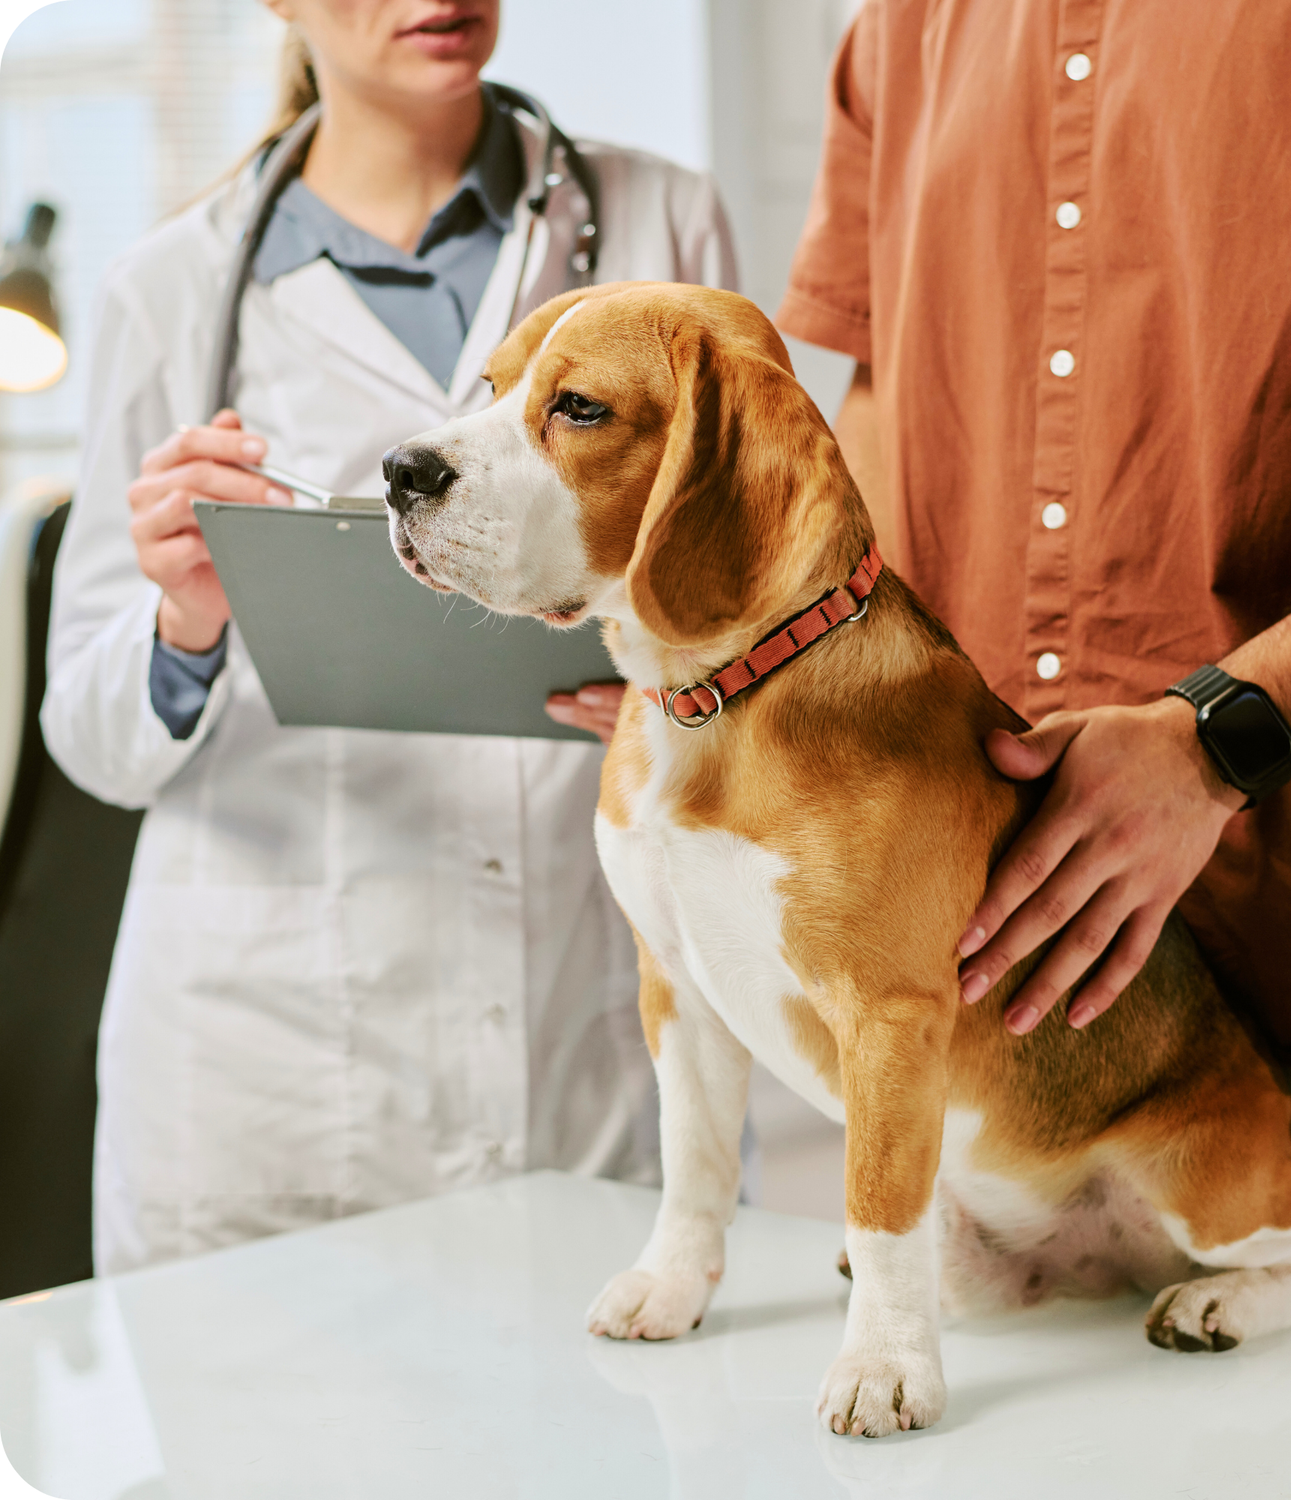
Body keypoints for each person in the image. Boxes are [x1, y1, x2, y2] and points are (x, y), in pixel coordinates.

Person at [777, 0, 1291, 1332]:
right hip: (1010, 1001)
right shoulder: (894, 27)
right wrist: (762, 670)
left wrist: (1220, 737)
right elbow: (886, 397)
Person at [40, 0, 736, 1275]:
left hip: (572, 1022)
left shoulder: (655, 225)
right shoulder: (171, 288)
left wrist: (681, 680)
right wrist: (184, 620)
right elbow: (90, 737)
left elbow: (750, 587)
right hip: (267, 1076)